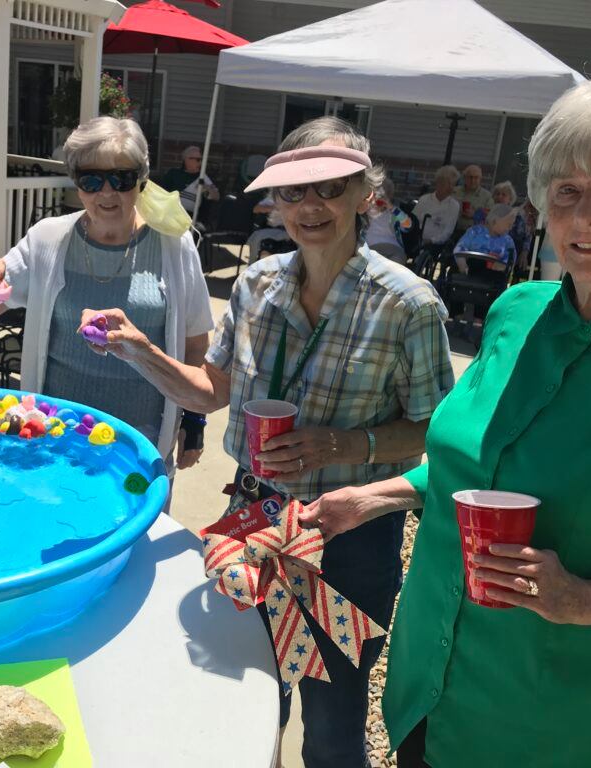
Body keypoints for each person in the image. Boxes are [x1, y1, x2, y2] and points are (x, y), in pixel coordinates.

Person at [302, 75, 591, 768]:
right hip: (426, 689)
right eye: (566, 190)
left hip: (551, 728)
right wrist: (377, 494)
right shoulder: (517, 313)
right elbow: (478, 461)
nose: (586, 215)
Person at [77, 116, 454, 768]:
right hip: (253, 525)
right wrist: (138, 349)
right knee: (249, 703)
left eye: (330, 188)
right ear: (274, 200)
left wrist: (342, 446)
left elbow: (438, 432)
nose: (310, 207)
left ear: (367, 194)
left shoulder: (408, 305)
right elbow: (209, 391)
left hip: (346, 539)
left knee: (333, 728)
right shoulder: (256, 285)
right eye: (293, 191)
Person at [0, 116, 213, 474]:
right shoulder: (47, 239)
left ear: (141, 179)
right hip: (53, 438)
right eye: (91, 180)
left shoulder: (174, 245)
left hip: (139, 442)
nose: (106, 193)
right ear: (77, 185)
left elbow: (196, 344)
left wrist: (194, 421)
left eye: (121, 179)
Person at [452, 203, 517, 275]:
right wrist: (462, 265)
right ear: (495, 221)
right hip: (470, 270)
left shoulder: (508, 241)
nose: (510, 228)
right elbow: (459, 249)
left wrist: (503, 266)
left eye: (512, 225)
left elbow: (510, 260)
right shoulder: (475, 231)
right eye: (508, 224)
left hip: (493, 275)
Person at [161, 145, 220, 214]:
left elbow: (217, 197)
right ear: (187, 159)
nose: (201, 163)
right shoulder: (173, 173)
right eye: (198, 160)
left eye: (201, 160)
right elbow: (162, 192)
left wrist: (207, 188)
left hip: (190, 216)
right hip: (170, 212)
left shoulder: (202, 177)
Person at [365, 178, 413, 264]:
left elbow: (408, 225)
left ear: (389, 196)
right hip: (370, 248)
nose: (379, 198)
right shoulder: (366, 210)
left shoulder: (394, 212)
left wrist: (391, 208)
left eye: (383, 195)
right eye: (376, 194)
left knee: (397, 263)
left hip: (392, 247)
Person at [412, 165, 459, 247]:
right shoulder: (424, 199)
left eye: (453, 184)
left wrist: (430, 241)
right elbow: (412, 221)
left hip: (435, 246)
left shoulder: (454, 206)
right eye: (448, 184)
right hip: (416, 240)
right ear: (438, 183)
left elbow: (447, 232)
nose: (451, 187)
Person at [491, 180, 532, 257]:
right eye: (497, 194)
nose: (500, 196)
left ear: (510, 199)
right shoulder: (487, 214)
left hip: (509, 253)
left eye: (503, 195)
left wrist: (524, 253)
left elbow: (527, 236)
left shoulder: (516, 216)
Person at [454, 163, 493, 233]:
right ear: (465, 178)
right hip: (453, 231)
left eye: (476, 177)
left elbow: (491, 217)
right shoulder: (455, 191)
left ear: (480, 179)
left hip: (474, 234)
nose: (473, 180)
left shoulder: (487, 196)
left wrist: (475, 215)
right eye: (470, 177)